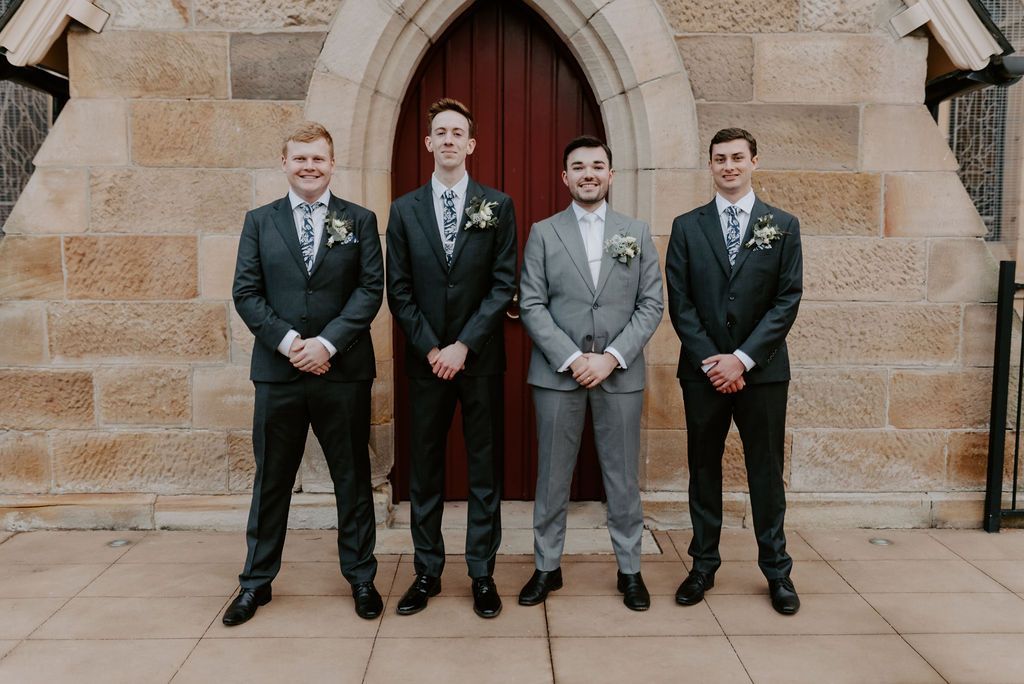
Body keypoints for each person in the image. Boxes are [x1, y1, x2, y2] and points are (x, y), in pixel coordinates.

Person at [226, 121, 385, 625]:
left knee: (352, 479)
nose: (309, 166)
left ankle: (361, 578)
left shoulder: (359, 220)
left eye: (318, 158)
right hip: (279, 373)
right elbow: (246, 293)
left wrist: (327, 343)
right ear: (285, 163)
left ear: (332, 164)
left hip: (343, 372)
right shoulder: (260, 221)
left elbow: (369, 290)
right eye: (300, 158)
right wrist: (293, 344)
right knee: (272, 479)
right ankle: (255, 582)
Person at [517, 135, 663, 611]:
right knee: (552, 476)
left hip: (619, 374)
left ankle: (630, 570)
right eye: (578, 167)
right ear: (565, 177)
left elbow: (650, 304)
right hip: (558, 374)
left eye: (597, 166)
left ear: (611, 174)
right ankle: (546, 567)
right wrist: (573, 358)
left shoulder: (635, 232)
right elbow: (532, 303)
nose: (588, 174)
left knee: (621, 477)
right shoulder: (544, 232)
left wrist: (611, 357)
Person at [386, 98, 517, 618]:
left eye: (456, 132)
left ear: (471, 144)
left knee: (485, 470)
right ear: (428, 143)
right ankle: (426, 571)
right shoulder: (403, 209)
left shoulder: (498, 205)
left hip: (479, 360)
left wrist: (464, 345)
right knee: (427, 472)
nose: (447, 140)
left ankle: (482, 573)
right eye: (439, 132)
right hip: (426, 361)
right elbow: (399, 289)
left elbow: (503, 282)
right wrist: (433, 348)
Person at [665, 127, 803, 615]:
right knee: (703, 470)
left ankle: (778, 572)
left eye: (737, 158)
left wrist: (741, 359)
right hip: (702, 372)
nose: (729, 166)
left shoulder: (782, 225)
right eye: (720, 158)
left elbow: (787, 300)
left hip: (762, 373)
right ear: (710, 165)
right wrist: (714, 361)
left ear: (754, 163)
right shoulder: (686, 226)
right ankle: (703, 564)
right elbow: (679, 303)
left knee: (766, 473)